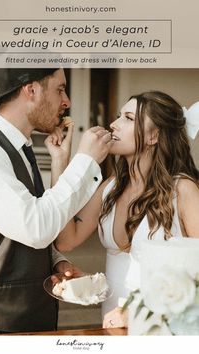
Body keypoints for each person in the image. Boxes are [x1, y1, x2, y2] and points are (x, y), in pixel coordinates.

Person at [0, 68, 113, 334]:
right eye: (60, 89)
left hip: (30, 321)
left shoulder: (21, 149)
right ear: (31, 90)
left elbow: (10, 228)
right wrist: (86, 160)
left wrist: (54, 261)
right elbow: (35, 228)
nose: (66, 101)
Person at [53, 90, 199, 329]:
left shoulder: (182, 190)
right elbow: (66, 240)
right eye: (119, 116)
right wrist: (61, 161)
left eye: (128, 118)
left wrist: (136, 312)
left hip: (162, 330)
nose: (113, 124)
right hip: (112, 329)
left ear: (153, 136)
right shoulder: (110, 187)